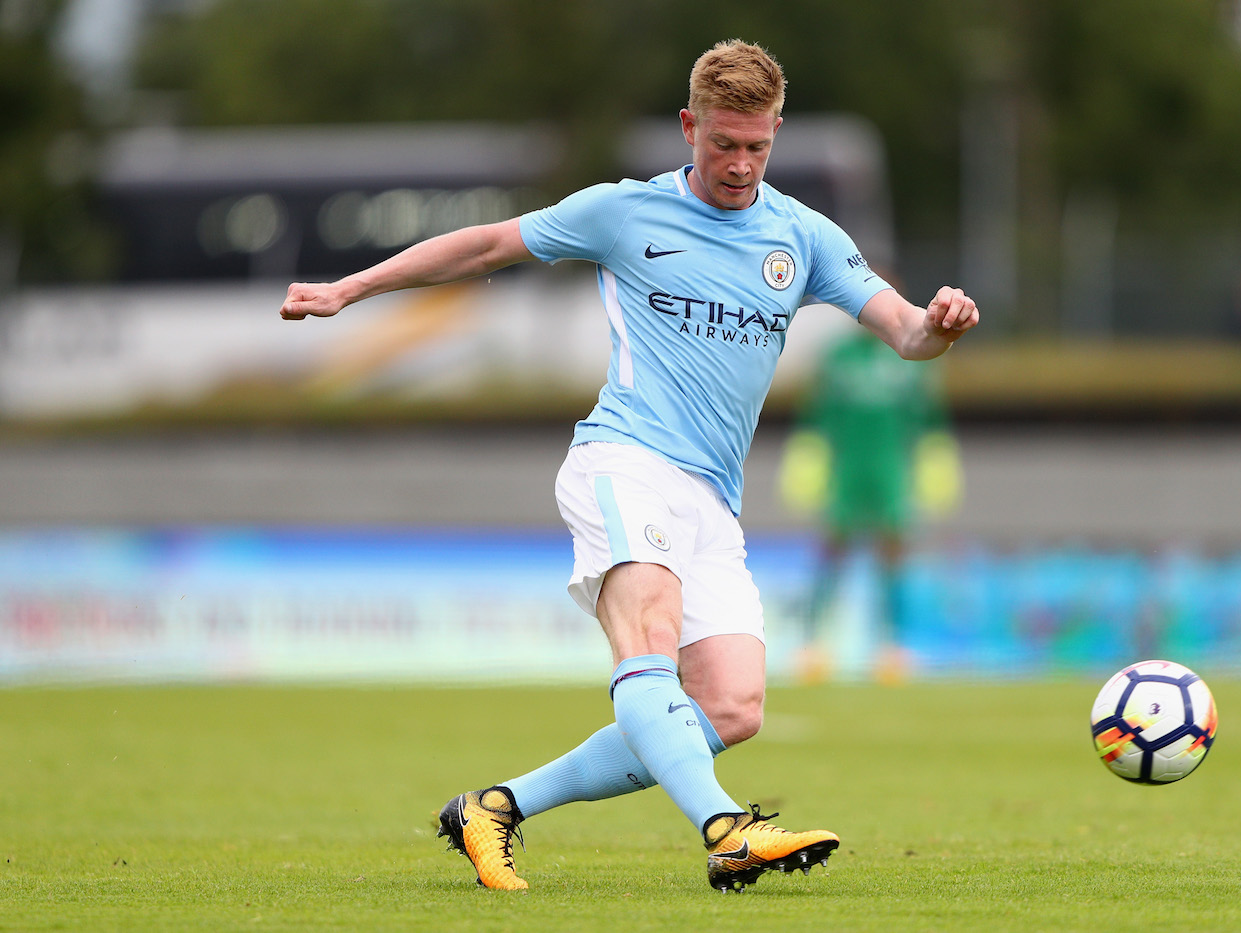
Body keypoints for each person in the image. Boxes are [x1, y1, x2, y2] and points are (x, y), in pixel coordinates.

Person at [279, 39, 979, 893]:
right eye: (723, 143)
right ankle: (728, 829)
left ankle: (493, 807)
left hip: (712, 501)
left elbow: (906, 333)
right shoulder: (625, 213)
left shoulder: (803, 237)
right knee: (648, 638)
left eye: (757, 146)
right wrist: (348, 289)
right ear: (690, 127)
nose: (739, 163)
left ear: (776, 134)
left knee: (730, 705)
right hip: (625, 459)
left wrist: (940, 323)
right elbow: (486, 245)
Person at [781, 326, 964, 684]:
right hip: (846, 470)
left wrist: (936, 468)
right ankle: (812, 644)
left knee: (893, 556)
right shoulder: (839, 357)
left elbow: (928, 419)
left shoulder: (912, 358)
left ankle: (892, 647)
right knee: (832, 553)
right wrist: (807, 466)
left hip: (892, 471)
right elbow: (817, 416)